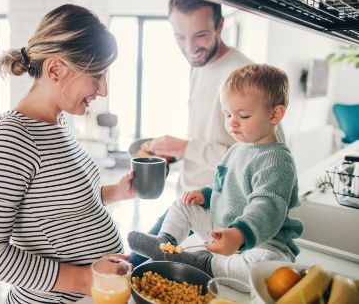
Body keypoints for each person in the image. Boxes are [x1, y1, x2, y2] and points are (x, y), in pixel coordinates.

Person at [0, 4, 136, 303]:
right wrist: (88, 280)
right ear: (56, 69)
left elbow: (59, 206)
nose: (103, 90)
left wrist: (116, 192)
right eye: (97, 75)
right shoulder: (12, 138)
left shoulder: (56, 123)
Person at [128, 64, 303, 282]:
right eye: (227, 114)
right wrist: (206, 194)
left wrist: (239, 235)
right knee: (183, 204)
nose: (232, 123)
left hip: (264, 242)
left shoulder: (277, 161)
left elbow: (267, 208)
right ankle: (166, 242)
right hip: (222, 228)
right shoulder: (238, 148)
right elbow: (225, 184)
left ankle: (203, 263)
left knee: (263, 267)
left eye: (244, 115)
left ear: (275, 114)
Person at [130, 0, 257, 266]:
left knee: (143, 267)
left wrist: (186, 147)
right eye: (180, 37)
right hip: (188, 199)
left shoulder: (243, 75)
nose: (190, 47)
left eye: (199, 35)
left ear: (220, 25)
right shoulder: (200, 65)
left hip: (218, 208)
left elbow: (250, 161)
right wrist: (175, 154)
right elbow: (212, 136)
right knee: (137, 265)